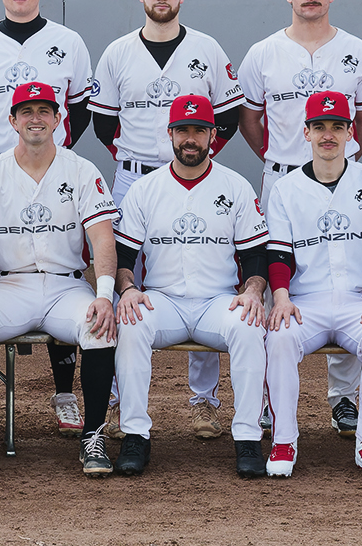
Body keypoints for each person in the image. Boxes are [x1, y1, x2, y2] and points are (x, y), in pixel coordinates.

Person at [89, 0, 245, 439]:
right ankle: (118, 396)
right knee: (123, 282)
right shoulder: (117, 52)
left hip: (196, 174)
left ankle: (203, 401)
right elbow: (101, 121)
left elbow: (230, 113)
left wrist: (200, 160)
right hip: (133, 179)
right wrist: (136, 163)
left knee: (203, 279)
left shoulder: (206, 48)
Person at [236, 0, 362, 439]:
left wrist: (343, 157)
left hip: (343, 177)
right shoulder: (262, 52)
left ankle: (342, 398)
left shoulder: (357, 51)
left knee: (344, 280)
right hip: (281, 176)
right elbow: (249, 119)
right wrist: (282, 161)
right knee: (276, 284)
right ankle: (264, 397)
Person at [0, 0, 97, 436]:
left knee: (61, 268)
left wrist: (51, 160)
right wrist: (6, 158)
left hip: (54, 170)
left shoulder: (68, 41)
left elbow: (79, 110)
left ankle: (64, 395)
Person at [0, 82, 121, 478]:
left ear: (58, 119)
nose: (36, 119)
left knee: (100, 327)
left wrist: (104, 295)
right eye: (26, 112)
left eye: (45, 111)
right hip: (12, 284)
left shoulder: (81, 169)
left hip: (67, 285)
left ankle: (93, 436)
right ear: (11, 120)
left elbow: (102, 238)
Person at [109, 94, 267, 477]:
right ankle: (135, 435)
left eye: (199, 130)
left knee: (249, 326)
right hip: (164, 301)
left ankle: (247, 438)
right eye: (183, 131)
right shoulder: (145, 189)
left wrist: (253, 291)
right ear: (170, 134)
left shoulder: (236, 186)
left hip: (219, 300)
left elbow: (256, 256)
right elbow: (123, 258)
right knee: (130, 322)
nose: (191, 139)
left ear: (213, 134)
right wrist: (129, 289)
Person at [261, 91, 362, 481]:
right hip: (305, 300)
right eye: (320, 126)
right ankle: (283, 441)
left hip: (361, 301)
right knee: (278, 336)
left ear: (350, 133)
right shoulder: (286, 189)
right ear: (305, 133)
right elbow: (279, 254)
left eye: (337, 126)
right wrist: (281, 298)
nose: (328, 134)